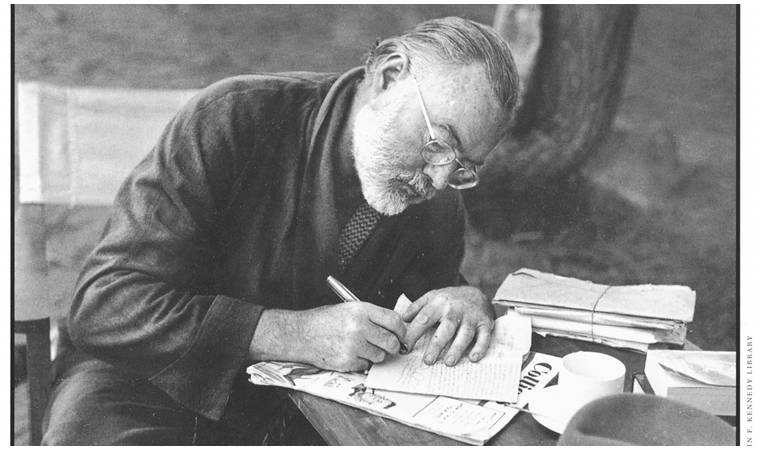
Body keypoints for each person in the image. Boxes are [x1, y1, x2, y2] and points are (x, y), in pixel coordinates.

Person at [42, 16, 519, 444]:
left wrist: (463, 300)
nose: (439, 179)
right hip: (149, 385)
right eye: (438, 143)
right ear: (389, 75)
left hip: (294, 416)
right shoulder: (234, 116)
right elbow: (105, 304)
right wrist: (287, 333)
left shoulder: (437, 205)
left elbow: (426, 309)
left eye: (463, 167)